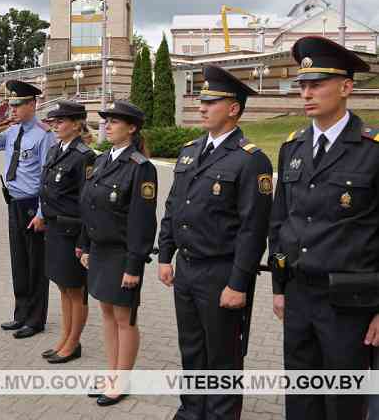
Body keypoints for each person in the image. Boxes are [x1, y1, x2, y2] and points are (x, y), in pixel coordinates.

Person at [269, 36, 379, 420]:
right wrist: (278, 287)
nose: (307, 93)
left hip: (349, 304)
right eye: (302, 85)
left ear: (346, 88)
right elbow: (280, 223)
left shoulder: (372, 150)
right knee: (300, 396)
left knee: (344, 402)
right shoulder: (293, 148)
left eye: (317, 84)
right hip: (299, 297)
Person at [157, 65, 273, 420]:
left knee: (223, 356)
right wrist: (165, 254)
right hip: (187, 270)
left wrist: (238, 283)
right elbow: (174, 206)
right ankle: (191, 410)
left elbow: (254, 229)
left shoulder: (251, 160)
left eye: (211, 101)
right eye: (201, 100)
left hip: (222, 273)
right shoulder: (191, 151)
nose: (202, 107)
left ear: (234, 108)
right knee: (191, 348)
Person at [79, 100, 158, 406]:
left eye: (114, 121)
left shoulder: (141, 167)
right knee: (107, 314)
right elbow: (88, 207)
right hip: (99, 251)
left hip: (123, 254)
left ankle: (121, 380)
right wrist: (84, 245)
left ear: (132, 128)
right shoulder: (100, 161)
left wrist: (134, 264)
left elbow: (142, 220)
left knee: (125, 318)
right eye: (105, 121)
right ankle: (111, 374)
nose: (107, 126)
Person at [0, 80, 56, 339]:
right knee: (19, 263)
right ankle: (21, 314)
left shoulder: (45, 135)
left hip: (32, 206)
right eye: (11, 104)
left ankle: (35, 320)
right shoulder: (13, 132)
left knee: (36, 265)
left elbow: (48, 177)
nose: (13, 109)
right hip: (13, 203)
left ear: (32, 104)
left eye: (18, 104)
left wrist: (42, 213)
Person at [39, 100, 96, 363]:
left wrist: (85, 242)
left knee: (75, 289)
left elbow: (87, 203)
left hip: (71, 232)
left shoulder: (84, 156)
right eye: (54, 121)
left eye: (61, 121)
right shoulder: (55, 150)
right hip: (54, 228)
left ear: (76, 124)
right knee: (62, 287)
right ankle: (65, 337)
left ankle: (73, 343)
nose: (56, 125)